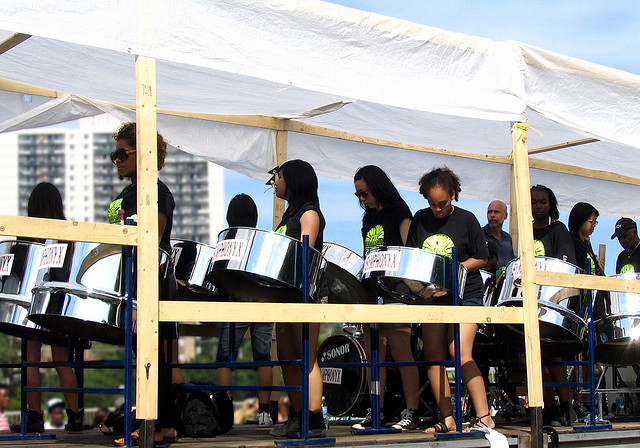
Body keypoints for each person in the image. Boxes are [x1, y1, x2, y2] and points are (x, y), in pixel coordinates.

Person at [406, 167, 494, 433]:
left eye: (442, 204)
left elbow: (483, 256)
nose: (437, 209)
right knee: (433, 355)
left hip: (466, 295)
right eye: (432, 204)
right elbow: (414, 257)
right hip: (433, 297)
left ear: (453, 195)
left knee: (460, 352)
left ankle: (484, 417)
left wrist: (459, 268)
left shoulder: (467, 220)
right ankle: (447, 417)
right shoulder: (420, 219)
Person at [109, 122, 178, 446]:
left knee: (156, 355)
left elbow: (154, 239)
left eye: (122, 153)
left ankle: (157, 425)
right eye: (115, 154)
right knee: (141, 354)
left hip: (154, 281)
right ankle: (149, 422)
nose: (117, 160)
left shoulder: (157, 192)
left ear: (144, 153)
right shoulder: (127, 194)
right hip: (130, 282)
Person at [350, 165, 421, 431]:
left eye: (365, 192)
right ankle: (375, 408)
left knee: (402, 353)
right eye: (357, 195)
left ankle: (412, 410)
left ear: (378, 188)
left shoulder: (400, 213)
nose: (362, 199)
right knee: (372, 356)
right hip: (371, 292)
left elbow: (410, 253)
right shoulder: (367, 219)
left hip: (396, 291)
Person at [10, 182, 84, 434]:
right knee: (62, 362)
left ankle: (34, 417)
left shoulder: (27, 231)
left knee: (32, 361)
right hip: (58, 303)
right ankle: (75, 416)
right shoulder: (66, 232)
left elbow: (19, 270)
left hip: (31, 302)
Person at [267, 160, 326, 439]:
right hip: (286, 293)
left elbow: (303, 254)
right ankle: (298, 413)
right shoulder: (288, 214)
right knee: (286, 356)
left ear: (294, 180)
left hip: (306, 293)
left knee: (305, 356)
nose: (276, 183)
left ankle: (313, 417)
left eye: (279, 177)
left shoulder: (309, 213)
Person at [216, 193, 275, 427]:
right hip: (263, 301)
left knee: (225, 357)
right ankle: (265, 413)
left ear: (230, 216)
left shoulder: (227, 239)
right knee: (263, 357)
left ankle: (223, 411)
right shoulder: (259, 239)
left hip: (236, 301)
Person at [530, 184, 576, 426]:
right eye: (534, 202)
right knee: (534, 355)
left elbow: (565, 265)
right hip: (529, 298)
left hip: (551, 300)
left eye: (543, 202)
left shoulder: (558, 230)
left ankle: (567, 406)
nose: (538, 206)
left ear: (550, 204)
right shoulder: (526, 230)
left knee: (552, 355)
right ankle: (548, 407)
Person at [482, 200, 515, 271]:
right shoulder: (479, 235)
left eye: (496, 212)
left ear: (505, 216)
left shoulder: (507, 238)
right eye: (490, 212)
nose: (492, 215)